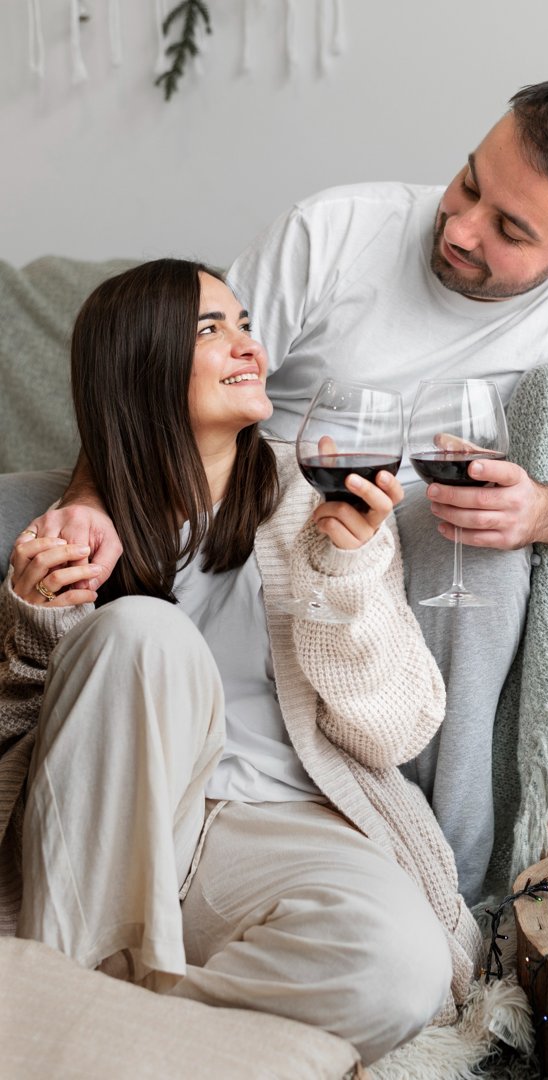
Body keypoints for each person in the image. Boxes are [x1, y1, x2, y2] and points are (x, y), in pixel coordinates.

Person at [23, 78, 548, 905]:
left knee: (483, 552)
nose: (458, 227)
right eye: (468, 182)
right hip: (239, 495)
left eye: (507, 229)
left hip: (391, 547)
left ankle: (455, 889)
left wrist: (543, 510)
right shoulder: (335, 230)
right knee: (17, 517)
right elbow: (176, 371)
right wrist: (92, 497)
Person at [0, 259, 483, 1064]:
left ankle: (85, 1020)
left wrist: (346, 578)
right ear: (140, 361)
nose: (249, 346)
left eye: (246, 324)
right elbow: (18, 744)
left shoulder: (323, 505)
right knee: (142, 634)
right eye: (209, 328)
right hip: (120, 834)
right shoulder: (66, 535)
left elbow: (395, 731)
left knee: (398, 968)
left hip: (280, 832)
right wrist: (32, 627)